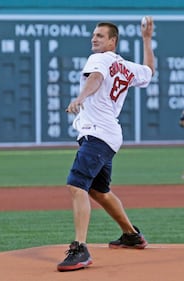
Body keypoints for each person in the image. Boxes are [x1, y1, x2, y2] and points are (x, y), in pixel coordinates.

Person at [57, 17, 155, 272]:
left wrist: (80, 96)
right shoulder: (127, 67)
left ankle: (79, 248)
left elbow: (97, 78)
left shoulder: (99, 59)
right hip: (110, 134)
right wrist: (146, 40)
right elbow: (150, 71)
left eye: (100, 36)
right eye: (94, 35)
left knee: (76, 184)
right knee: (98, 190)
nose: (94, 39)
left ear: (112, 41)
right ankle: (131, 235)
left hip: (98, 133)